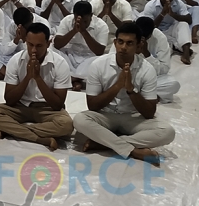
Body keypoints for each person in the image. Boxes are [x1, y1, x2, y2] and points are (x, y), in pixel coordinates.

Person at [73, 23, 175, 166]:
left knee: (168, 132)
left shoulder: (147, 70)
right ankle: (132, 150)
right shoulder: (99, 65)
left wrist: (131, 90)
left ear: (138, 46)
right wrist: (117, 86)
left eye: (129, 43)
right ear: (115, 43)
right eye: (120, 42)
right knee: (79, 120)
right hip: (105, 115)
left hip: (132, 118)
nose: (123, 47)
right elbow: (93, 105)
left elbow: (149, 113)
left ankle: (104, 143)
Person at [0, 23, 73, 150]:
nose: (34, 50)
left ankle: (12, 130)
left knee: (67, 125)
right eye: (30, 45)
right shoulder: (16, 60)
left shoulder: (60, 64)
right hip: (20, 107)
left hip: (47, 109)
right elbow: (9, 100)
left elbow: (57, 105)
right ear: (25, 42)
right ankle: (38, 138)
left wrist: (38, 78)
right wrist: (28, 77)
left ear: (48, 43)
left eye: (39, 46)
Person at [121, 17, 180, 103]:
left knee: (173, 84)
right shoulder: (126, 34)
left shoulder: (160, 38)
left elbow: (164, 69)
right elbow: (113, 58)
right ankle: (147, 96)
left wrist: (147, 54)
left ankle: (139, 94)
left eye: (145, 37)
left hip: (148, 77)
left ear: (151, 34)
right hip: (126, 76)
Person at [0, 7, 50, 79]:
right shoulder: (13, 26)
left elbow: (37, 51)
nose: (22, 28)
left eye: (25, 27)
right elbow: (4, 50)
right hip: (15, 56)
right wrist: (16, 39)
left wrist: (24, 39)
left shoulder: (42, 24)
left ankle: (12, 74)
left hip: (34, 57)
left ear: (32, 19)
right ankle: (7, 73)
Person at [53, 1, 108, 89]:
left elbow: (99, 51)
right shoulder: (67, 20)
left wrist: (83, 31)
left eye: (85, 21)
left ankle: (72, 79)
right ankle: (79, 80)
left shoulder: (101, 25)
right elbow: (57, 44)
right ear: (74, 15)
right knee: (51, 50)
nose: (82, 23)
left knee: (103, 60)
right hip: (70, 56)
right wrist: (74, 31)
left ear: (91, 15)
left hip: (89, 58)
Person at [140, 0, 193, 65]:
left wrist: (173, 14)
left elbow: (189, 19)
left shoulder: (179, 3)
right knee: (165, 54)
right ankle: (176, 46)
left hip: (171, 29)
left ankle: (186, 53)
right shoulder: (150, 5)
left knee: (183, 24)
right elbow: (149, 27)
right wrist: (162, 14)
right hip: (157, 31)